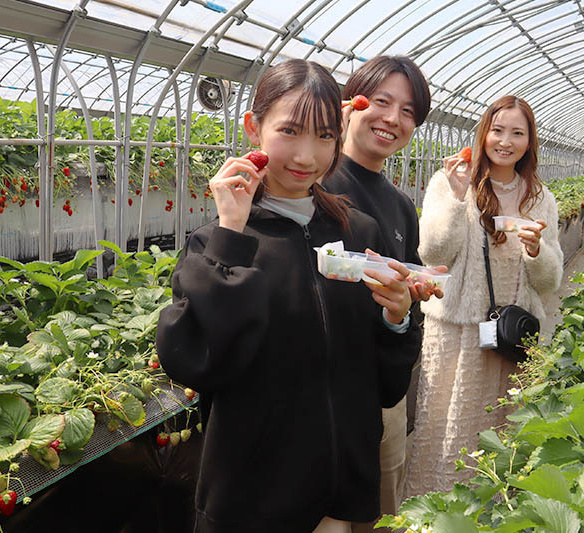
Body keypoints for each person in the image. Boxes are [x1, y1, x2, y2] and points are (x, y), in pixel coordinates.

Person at [156, 58, 420, 533]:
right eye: (290, 131)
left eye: (324, 137)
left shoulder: (358, 231)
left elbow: (386, 382)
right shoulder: (217, 242)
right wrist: (230, 232)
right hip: (255, 497)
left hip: (338, 493)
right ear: (253, 128)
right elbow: (195, 360)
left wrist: (397, 320)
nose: (306, 157)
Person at [404, 95, 563, 496]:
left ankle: (492, 513)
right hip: (457, 334)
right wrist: (458, 199)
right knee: (447, 427)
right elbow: (433, 253)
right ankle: (436, 511)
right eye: (497, 130)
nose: (505, 141)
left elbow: (550, 281)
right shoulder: (451, 181)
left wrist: (535, 250)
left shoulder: (541, 198)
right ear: (483, 133)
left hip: (512, 337)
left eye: (517, 133)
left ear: (530, 142)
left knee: (502, 431)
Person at [323, 55, 440, 531]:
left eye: (409, 111)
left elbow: (400, 298)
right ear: (351, 104)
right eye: (383, 102)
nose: (393, 119)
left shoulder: (399, 206)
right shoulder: (313, 184)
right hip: (319, 399)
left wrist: (409, 296)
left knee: (382, 511)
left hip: (380, 395)